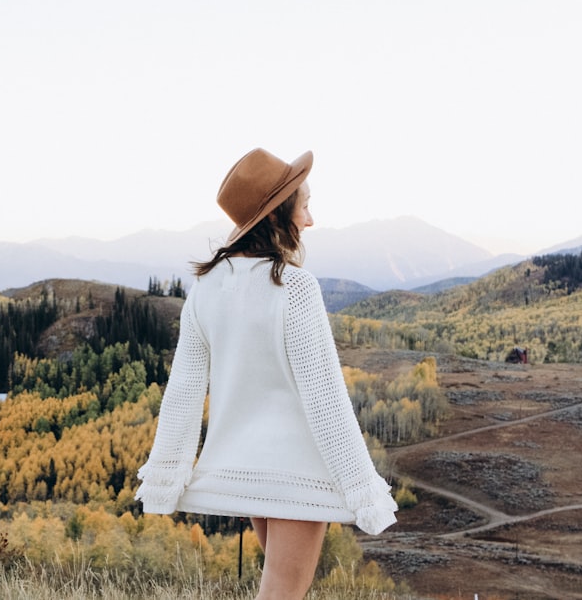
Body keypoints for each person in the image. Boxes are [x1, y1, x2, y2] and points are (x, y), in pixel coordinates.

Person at [135, 147, 397, 599]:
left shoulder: (206, 288)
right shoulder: (293, 287)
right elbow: (326, 399)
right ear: (278, 215)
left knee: (277, 588)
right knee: (282, 592)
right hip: (296, 467)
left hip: (242, 463)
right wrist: (364, 491)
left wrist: (167, 475)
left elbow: (182, 392)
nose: (310, 220)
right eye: (305, 206)